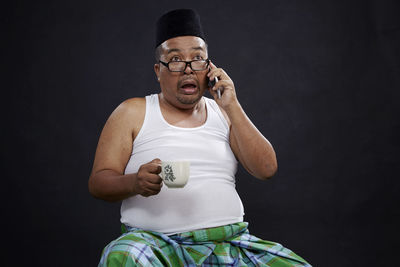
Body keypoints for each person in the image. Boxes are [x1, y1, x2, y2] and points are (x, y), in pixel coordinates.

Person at [89, 8, 311, 267]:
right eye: (174, 59)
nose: (187, 70)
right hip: (158, 246)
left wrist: (232, 105)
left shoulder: (224, 113)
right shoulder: (133, 111)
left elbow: (266, 169)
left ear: (209, 68)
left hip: (230, 243)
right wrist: (135, 183)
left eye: (197, 59)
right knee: (123, 254)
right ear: (158, 71)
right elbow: (98, 183)